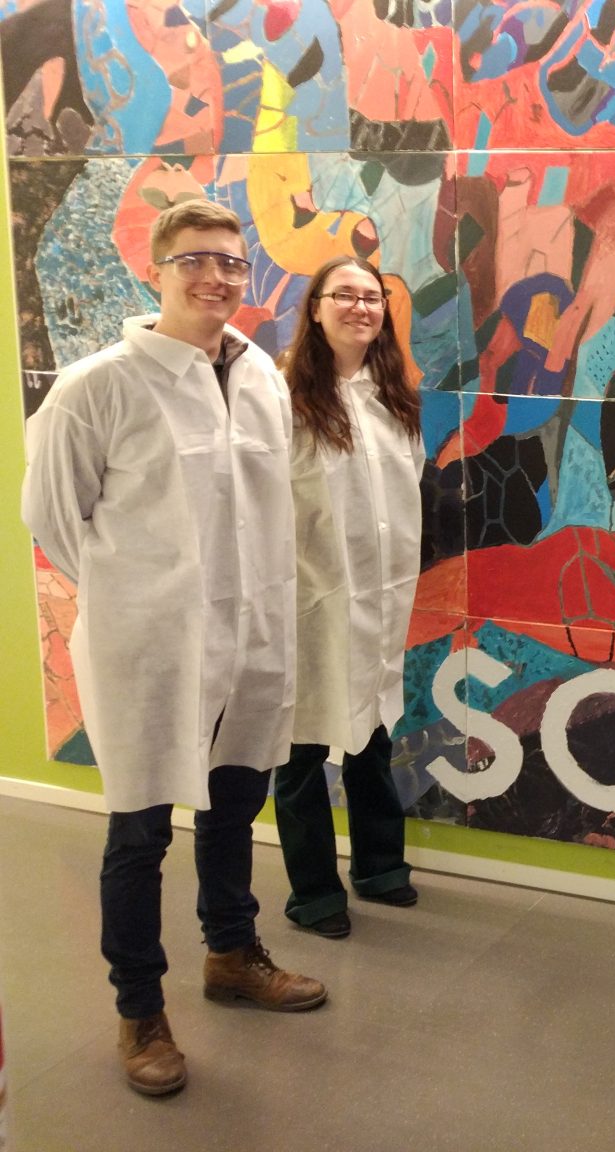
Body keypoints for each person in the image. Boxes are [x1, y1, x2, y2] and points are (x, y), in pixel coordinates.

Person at [20, 199, 326, 1098]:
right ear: (156, 270)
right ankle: (139, 1009)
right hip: (150, 646)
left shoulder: (260, 374)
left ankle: (231, 953)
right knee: (140, 831)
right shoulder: (98, 386)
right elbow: (53, 517)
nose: (215, 277)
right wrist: (147, 595)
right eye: (194, 260)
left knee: (233, 807)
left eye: (230, 262)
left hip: (252, 635)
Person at [272, 256, 424, 938]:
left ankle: (380, 865)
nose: (362, 307)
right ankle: (313, 891)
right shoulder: (283, 397)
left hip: (382, 599)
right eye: (345, 295)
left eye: (373, 297)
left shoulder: (394, 395)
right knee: (303, 746)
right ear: (315, 308)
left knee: (372, 730)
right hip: (312, 600)